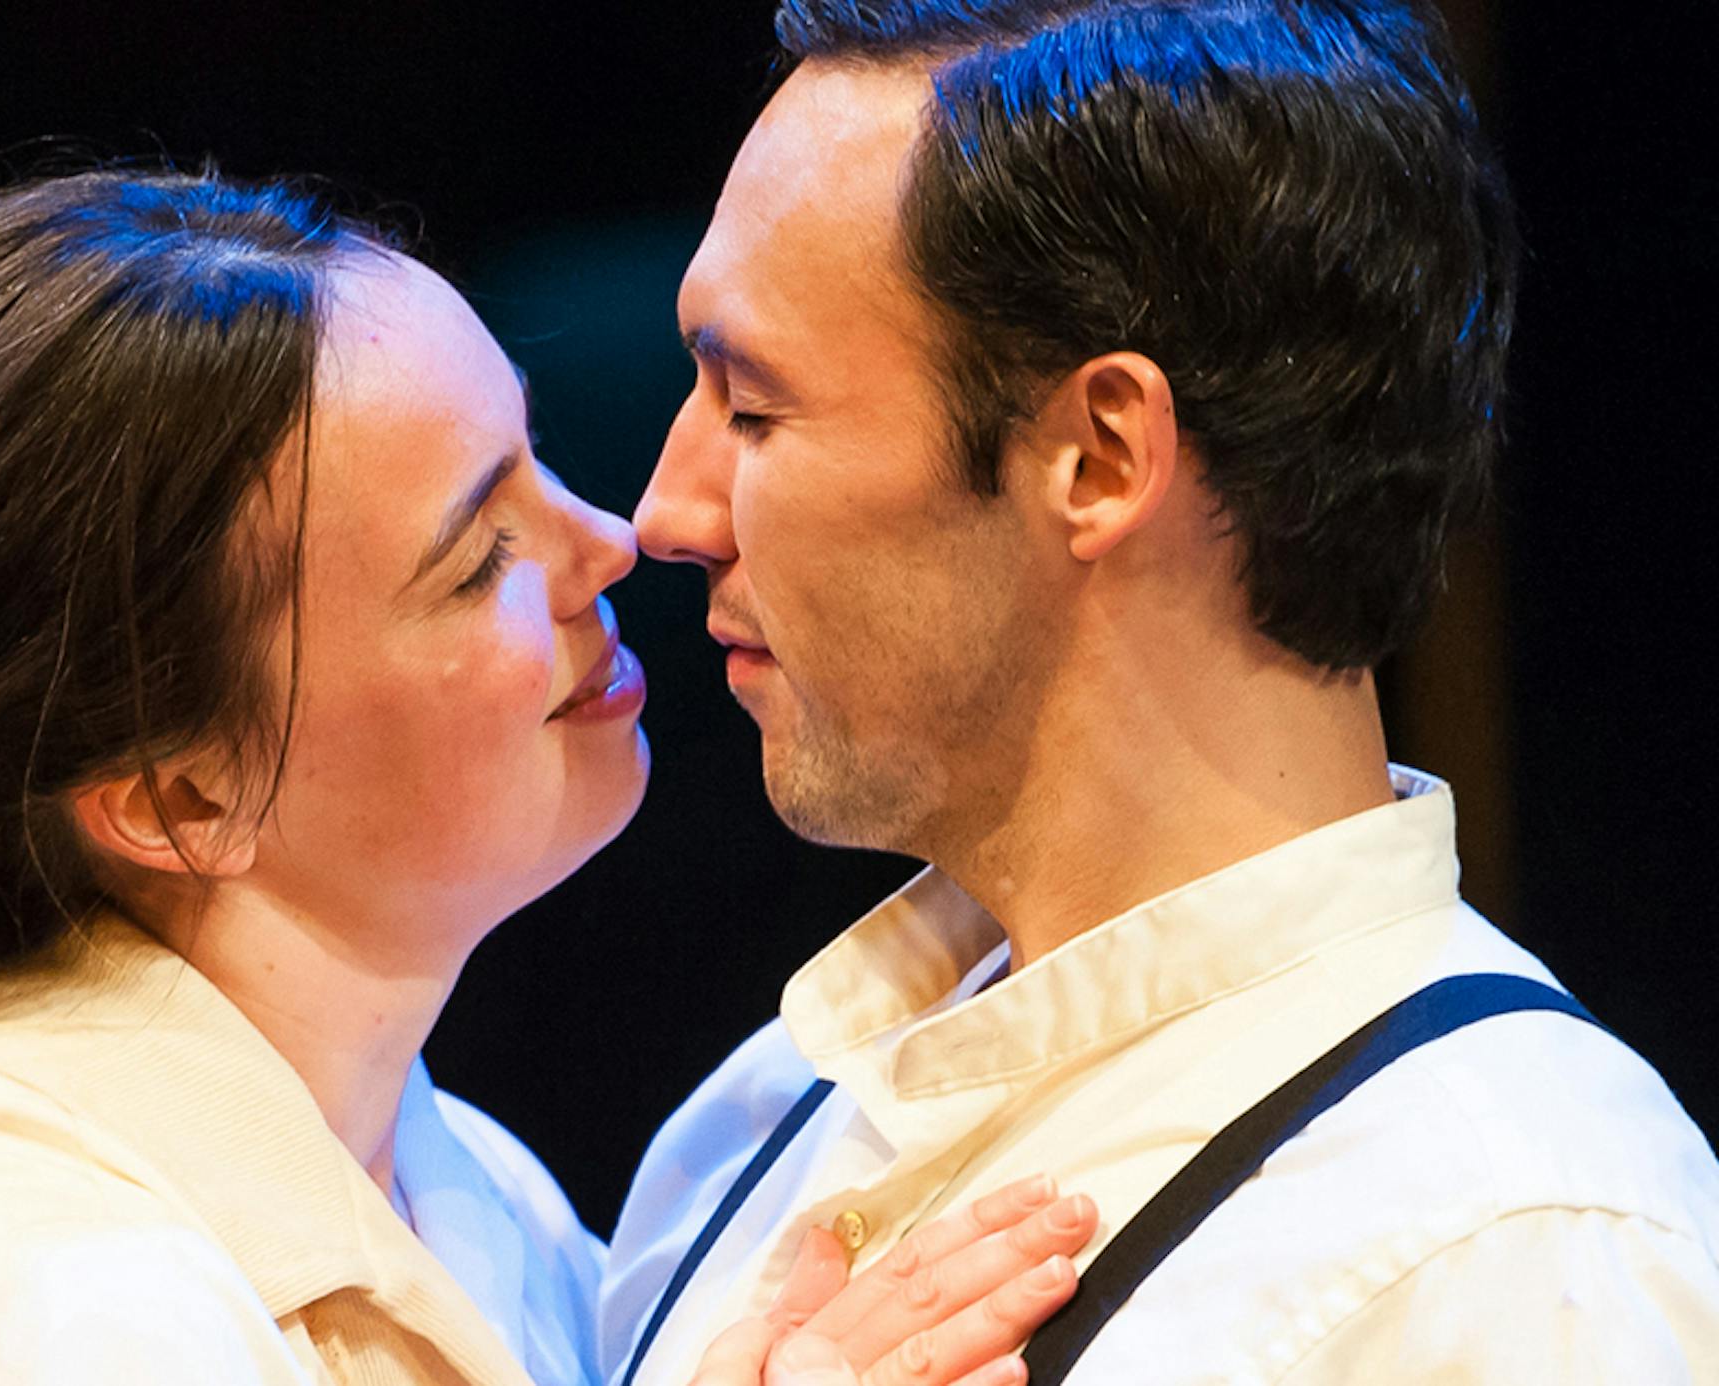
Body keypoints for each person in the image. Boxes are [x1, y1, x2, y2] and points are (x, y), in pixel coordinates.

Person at [0, 170, 1094, 1386]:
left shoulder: (449, 1174)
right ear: (178, 798)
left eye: (539, 460)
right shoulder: (41, 1308)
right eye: (476, 554)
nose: (608, 545)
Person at [603, 1, 1719, 1382]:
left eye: (753, 406)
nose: (665, 510)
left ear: (1100, 456)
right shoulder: (753, 1125)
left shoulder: (1521, 1255)